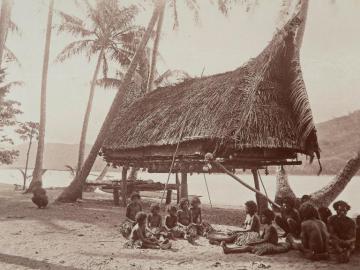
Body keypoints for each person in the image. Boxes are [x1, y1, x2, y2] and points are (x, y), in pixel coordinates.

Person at [222, 209, 290, 256]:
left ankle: (229, 250)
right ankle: (229, 249)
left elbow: (265, 240)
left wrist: (254, 242)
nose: (262, 218)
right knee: (248, 245)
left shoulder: (270, 228)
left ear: (269, 218)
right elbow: (261, 237)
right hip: (266, 242)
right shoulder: (266, 226)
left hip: (271, 245)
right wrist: (254, 240)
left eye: (263, 217)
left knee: (248, 247)